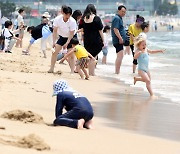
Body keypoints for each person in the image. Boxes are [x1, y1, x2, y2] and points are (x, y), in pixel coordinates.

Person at [48, 6, 76, 73]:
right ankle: (51, 68)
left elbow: (71, 33)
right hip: (62, 37)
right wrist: (54, 42)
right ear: (63, 13)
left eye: (70, 14)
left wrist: (67, 43)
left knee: (71, 55)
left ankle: (72, 71)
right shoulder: (57, 19)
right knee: (54, 52)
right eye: (66, 14)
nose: (68, 16)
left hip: (71, 38)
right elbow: (55, 31)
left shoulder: (72, 21)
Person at [79, 4, 104, 76]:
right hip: (96, 40)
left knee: (90, 57)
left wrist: (82, 38)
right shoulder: (96, 18)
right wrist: (103, 40)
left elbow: (81, 29)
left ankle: (91, 72)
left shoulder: (83, 19)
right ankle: (92, 73)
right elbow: (100, 30)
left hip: (87, 40)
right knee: (93, 57)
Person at [111, 5, 128, 74]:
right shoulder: (117, 18)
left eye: (124, 12)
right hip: (117, 40)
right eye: (122, 11)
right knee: (120, 56)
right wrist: (120, 38)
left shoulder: (119, 18)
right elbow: (115, 29)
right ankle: (117, 72)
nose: (123, 13)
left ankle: (117, 71)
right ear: (118, 11)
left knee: (120, 56)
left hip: (119, 40)